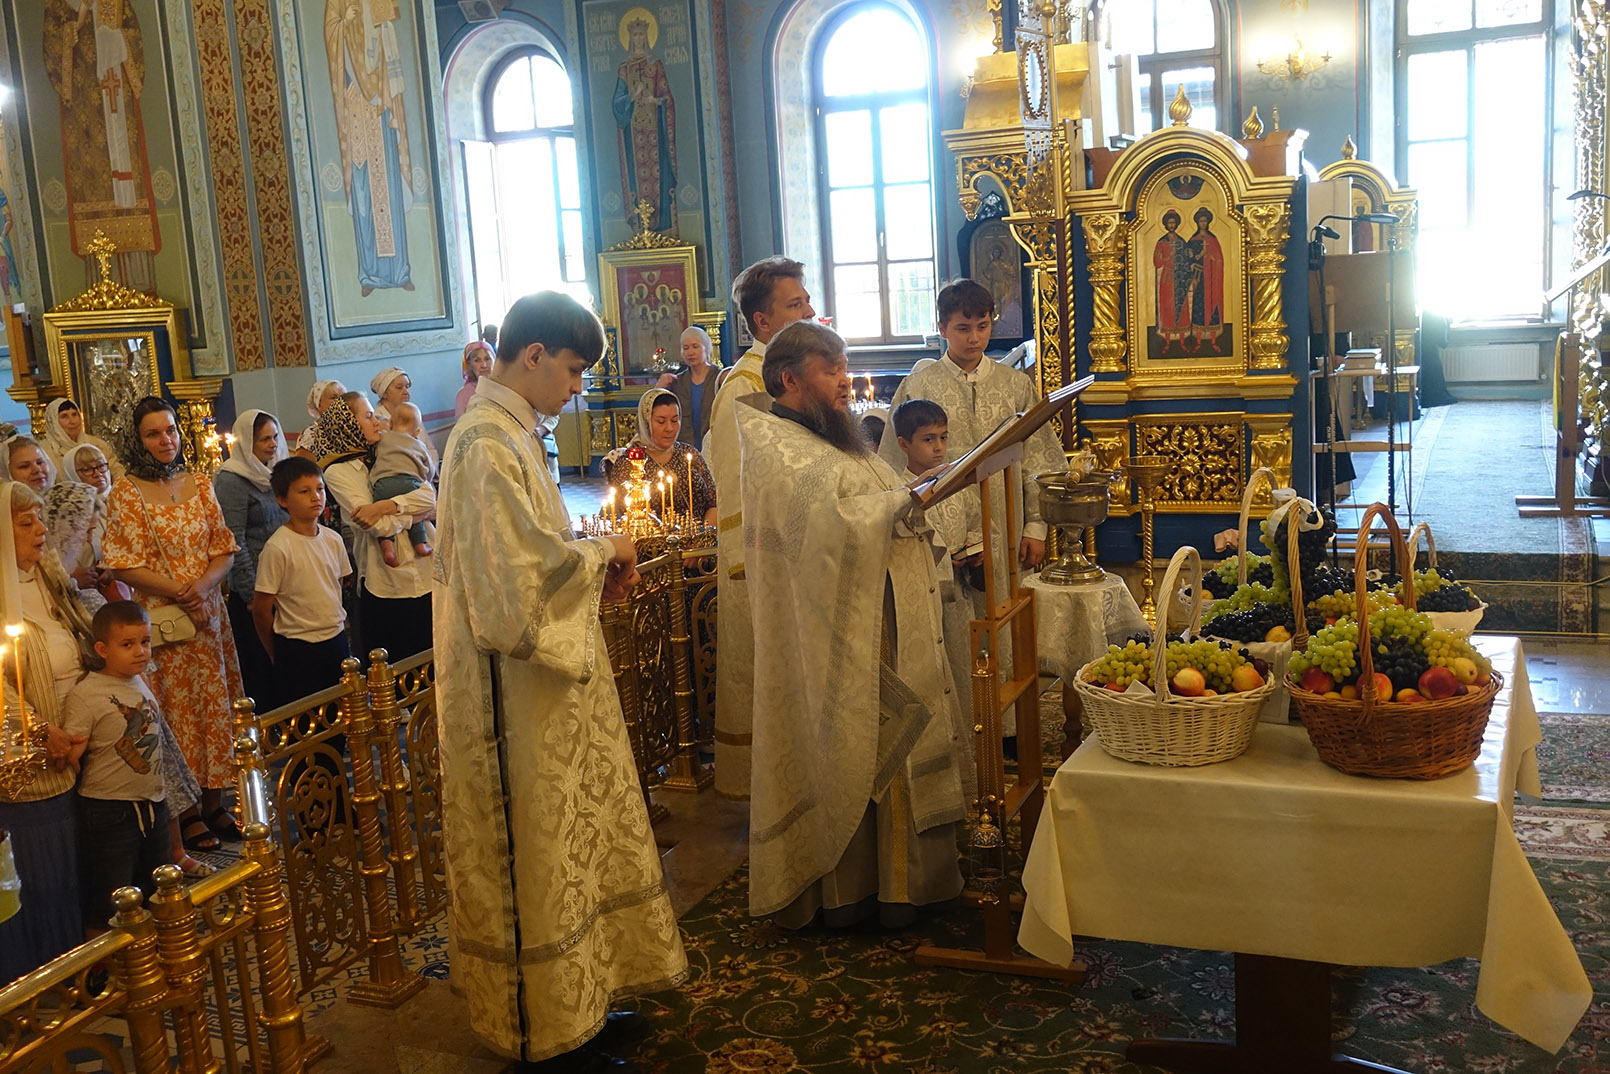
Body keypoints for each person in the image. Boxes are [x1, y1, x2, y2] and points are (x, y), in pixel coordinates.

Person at [434, 290, 686, 1063]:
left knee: (568, 834)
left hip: (541, 689)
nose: (578, 387)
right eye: (573, 370)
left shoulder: (511, 430)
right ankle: (540, 1029)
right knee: (532, 844)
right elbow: (511, 586)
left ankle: (584, 997)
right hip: (506, 696)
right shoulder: (483, 443)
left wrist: (588, 563)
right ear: (533, 354)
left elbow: (535, 550)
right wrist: (603, 554)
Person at [737, 320, 966, 929]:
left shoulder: (832, 437)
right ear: (791, 379)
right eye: (831, 369)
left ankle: (909, 886)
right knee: (861, 741)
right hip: (839, 632)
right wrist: (905, 501)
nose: (845, 381)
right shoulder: (776, 446)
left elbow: (866, 499)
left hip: (883, 614)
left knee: (897, 742)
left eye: (844, 367)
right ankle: (857, 891)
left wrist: (909, 499)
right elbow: (826, 529)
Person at [102, 396, 245, 849]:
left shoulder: (200, 482)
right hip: (163, 623)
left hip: (206, 618)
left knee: (213, 707)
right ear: (137, 439)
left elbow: (224, 547)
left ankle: (214, 801)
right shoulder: (127, 491)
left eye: (170, 430)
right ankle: (183, 813)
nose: (166, 441)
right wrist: (178, 591)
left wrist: (201, 587)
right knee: (176, 714)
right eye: (153, 433)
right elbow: (122, 562)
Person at [704, 256, 815, 800]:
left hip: (803, 557)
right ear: (763, 322)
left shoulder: (791, 376)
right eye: (797, 305)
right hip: (765, 564)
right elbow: (734, 491)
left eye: (807, 300)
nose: (811, 311)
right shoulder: (743, 390)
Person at [0, 481, 92, 983]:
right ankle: (46, 976)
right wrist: (43, 732)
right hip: (30, 764)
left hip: (78, 741)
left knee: (80, 864)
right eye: (25, 522)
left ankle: (81, 957)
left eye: (40, 518)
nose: (41, 530)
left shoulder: (47, 578)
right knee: (43, 869)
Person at [61, 601, 172, 929]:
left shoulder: (138, 680)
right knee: (112, 893)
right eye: (128, 645)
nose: (140, 652)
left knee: (159, 885)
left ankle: (155, 955)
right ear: (102, 649)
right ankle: (103, 971)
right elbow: (73, 750)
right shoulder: (87, 694)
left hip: (152, 802)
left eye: (145, 642)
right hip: (109, 809)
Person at [892, 398, 981, 801]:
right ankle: (929, 783)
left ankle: (967, 772)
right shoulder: (896, 491)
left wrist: (971, 553)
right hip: (919, 608)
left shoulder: (956, 482)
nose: (939, 448)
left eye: (943, 437)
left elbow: (975, 525)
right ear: (904, 444)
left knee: (963, 681)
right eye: (928, 439)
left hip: (958, 601)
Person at [313, 392, 434, 660]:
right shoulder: (338, 471)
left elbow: (430, 498)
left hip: (426, 575)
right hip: (387, 582)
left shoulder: (386, 451)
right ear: (348, 423)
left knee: (432, 663)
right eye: (368, 416)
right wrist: (415, 515)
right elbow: (376, 526)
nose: (377, 421)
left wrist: (384, 506)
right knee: (397, 667)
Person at [253, 457, 352, 707]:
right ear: (282, 499)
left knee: (340, 715)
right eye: (304, 491)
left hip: (335, 638)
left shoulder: (333, 539)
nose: (316, 497)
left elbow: (336, 585)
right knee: (306, 723)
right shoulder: (278, 547)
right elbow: (262, 609)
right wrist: (276, 651)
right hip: (297, 647)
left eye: (320, 489)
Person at [213, 410, 290, 709]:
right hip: (256, 589)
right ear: (247, 443)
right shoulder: (232, 480)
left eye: (274, 437)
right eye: (263, 439)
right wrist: (251, 594)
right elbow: (234, 540)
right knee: (262, 668)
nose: (272, 444)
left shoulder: (276, 472)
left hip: (284, 581)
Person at [601, 389, 716, 527]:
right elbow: (625, 516)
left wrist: (703, 534)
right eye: (661, 422)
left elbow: (713, 502)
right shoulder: (631, 462)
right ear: (646, 422)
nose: (670, 428)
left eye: (675, 420)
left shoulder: (688, 453)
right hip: (653, 543)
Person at [58, 443, 129, 603]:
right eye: (86, 469)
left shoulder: (124, 498)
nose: (97, 474)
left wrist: (117, 569)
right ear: (71, 474)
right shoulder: (69, 513)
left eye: (101, 466)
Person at [370, 402, 435, 565]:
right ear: (418, 432)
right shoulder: (419, 445)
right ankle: (420, 544)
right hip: (408, 482)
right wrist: (426, 477)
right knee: (416, 514)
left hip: (383, 483)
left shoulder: (383, 437)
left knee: (384, 514)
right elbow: (430, 469)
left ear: (390, 424)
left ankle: (388, 548)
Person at [658, 326, 719, 447]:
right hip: (684, 448)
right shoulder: (677, 382)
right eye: (685, 348)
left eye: (695, 347)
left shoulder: (719, 378)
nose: (690, 352)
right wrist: (659, 388)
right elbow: (650, 411)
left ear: (706, 348)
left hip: (715, 446)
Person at [40, 399, 123, 482]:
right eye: (64, 416)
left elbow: (116, 469)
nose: (72, 421)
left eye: (74, 414)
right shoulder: (45, 452)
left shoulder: (96, 444)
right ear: (53, 422)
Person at [1187, 206, 1226, 352]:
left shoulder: (1213, 239)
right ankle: (1198, 342)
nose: (1202, 223)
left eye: (1204, 220)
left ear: (1208, 222)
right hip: (1199, 277)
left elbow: (1220, 260)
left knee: (1212, 308)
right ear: (1197, 222)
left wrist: (1210, 257)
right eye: (1200, 221)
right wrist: (1199, 255)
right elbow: (1189, 259)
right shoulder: (1193, 240)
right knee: (1199, 308)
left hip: (1211, 280)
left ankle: (1213, 341)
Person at [1153, 209, 1189, 352]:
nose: (1172, 225)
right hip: (1167, 279)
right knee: (1167, 309)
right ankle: (1167, 342)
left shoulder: (1181, 241)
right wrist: (1168, 258)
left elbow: (1186, 260)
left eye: (1174, 222)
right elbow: (1156, 262)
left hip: (1180, 278)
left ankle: (1181, 342)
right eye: (1169, 223)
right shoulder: (1161, 242)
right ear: (1166, 225)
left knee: (1182, 308)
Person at [295, 379, 346, 457]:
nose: (340, 401)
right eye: (333, 397)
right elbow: (302, 465)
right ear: (319, 404)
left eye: (343, 397)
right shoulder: (310, 434)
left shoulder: (351, 426)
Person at [455, 340, 495, 418]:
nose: (484, 365)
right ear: (470, 365)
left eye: (487, 359)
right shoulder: (463, 395)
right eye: (477, 361)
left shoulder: (503, 389)